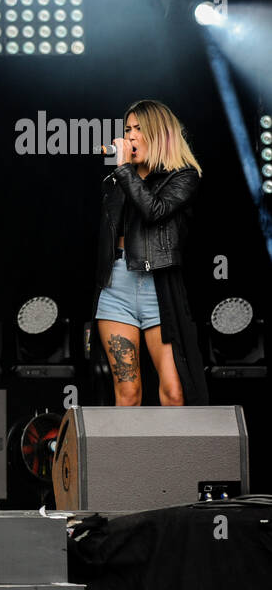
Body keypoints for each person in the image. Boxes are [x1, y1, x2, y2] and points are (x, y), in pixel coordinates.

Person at [95, 99, 207, 407]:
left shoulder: (183, 176)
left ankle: (172, 457)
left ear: (158, 133)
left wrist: (123, 169)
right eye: (127, 128)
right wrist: (122, 172)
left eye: (138, 129)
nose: (129, 136)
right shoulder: (117, 180)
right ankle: (125, 457)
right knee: (127, 394)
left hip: (158, 289)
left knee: (174, 393)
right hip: (117, 287)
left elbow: (154, 211)